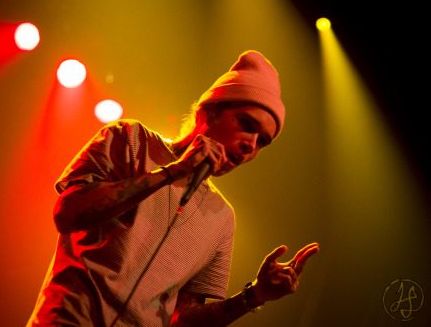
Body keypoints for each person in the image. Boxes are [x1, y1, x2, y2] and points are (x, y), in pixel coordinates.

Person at [27, 50, 319, 327]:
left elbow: (184, 319)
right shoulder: (130, 139)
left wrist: (254, 296)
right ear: (209, 112)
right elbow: (69, 214)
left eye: (263, 141)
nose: (251, 145)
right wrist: (175, 171)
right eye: (246, 124)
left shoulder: (222, 218)